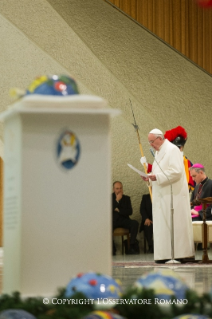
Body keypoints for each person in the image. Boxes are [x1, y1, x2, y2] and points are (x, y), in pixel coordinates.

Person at [141, 128, 194, 263]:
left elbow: (176, 172)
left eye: (152, 141)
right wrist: (149, 178)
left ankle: (177, 255)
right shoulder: (158, 153)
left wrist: (156, 177)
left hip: (173, 197)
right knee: (162, 226)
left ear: (160, 138)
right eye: (149, 142)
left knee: (174, 225)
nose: (151, 144)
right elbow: (158, 172)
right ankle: (163, 255)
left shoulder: (172, 150)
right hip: (162, 196)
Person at [141, 126, 195, 192]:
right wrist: (147, 169)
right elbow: (161, 170)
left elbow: (175, 173)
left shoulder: (186, 161)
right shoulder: (163, 153)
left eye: (179, 147)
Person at [112, 181, 139, 255]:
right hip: (113, 221)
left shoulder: (126, 198)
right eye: (117, 188)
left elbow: (130, 211)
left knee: (135, 223)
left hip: (124, 220)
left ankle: (131, 246)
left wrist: (118, 210)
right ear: (113, 189)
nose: (119, 190)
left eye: (120, 188)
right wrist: (117, 200)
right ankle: (112, 249)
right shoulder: (109, 198)